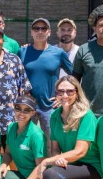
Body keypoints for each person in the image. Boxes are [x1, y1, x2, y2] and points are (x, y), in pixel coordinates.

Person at [37, 76, 103, 179]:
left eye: (69, 91)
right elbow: (55, 148)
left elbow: (80, 151)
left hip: (90, 168)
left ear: (77, 93)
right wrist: (57, 159)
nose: (65, 95)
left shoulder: (86, 116)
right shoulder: (55, 116)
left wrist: (48, 161)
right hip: (70, 167)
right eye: (60, 92)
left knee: (50, 174)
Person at [18, 17, 73, 146]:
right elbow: (16, 76)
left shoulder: (58, 53)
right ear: (31, 32)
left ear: (49, 32)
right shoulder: (22, 52)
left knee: (51, 144)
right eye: (36, 28)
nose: (40, 31)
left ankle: (51, 160)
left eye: (44, 28)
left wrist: (61, 96)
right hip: (27, 105)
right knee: (25, 143)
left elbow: (74, 75)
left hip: (49, 106)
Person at [0, 96, 50, 179]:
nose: (21, 113)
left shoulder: (36, 135)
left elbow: (40, 167)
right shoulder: (11, 127)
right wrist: (3, 165)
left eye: (26, 110)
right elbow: (8, 153)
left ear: (33, 113)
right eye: (18, 108)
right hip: (23, 176)